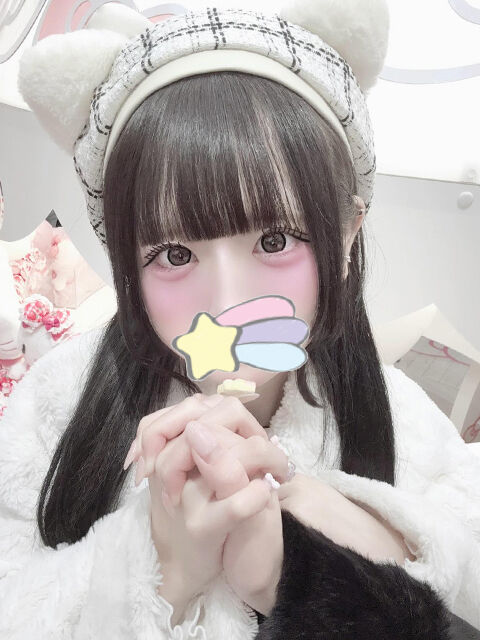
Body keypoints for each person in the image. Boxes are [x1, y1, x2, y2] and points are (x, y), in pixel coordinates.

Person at [1, 2, 479, 638]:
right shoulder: (55, 403)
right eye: (175, 255)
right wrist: (165, 569)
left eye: (275, 241)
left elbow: (465, 563)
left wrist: (329, 556)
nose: (227, 305)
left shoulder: (404, 421)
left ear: (345, 234)